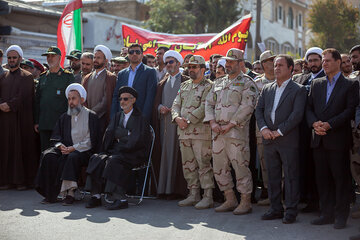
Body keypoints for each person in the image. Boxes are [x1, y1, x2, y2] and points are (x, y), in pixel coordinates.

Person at [307, 48, 359, 229]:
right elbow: (309, 108)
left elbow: (349, 110)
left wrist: (330, 124)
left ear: (338, 62)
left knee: (340, 179)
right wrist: (315, 124)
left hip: (337, 139)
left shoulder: (350, 85)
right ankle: (326, 214)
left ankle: (340, 215)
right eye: (323, 61)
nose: (324, 64)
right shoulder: (317, 83)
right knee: (322, 179)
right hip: (318, 138)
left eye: (328, 60)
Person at [204, 48, 258, 215]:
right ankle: (229, 198)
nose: (227, 65)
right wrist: (212, 122)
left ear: (240, 63)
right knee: (220, 167)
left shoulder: (248, 83)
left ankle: (245, 201)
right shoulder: (219, 82)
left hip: (236, 133)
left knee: (240, 166)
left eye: (231, 62)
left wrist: (231, 124)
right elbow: (209, 103)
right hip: (218, 133)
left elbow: (247, 106)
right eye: (226, 62)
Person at [256, 54, 307, 224]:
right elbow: (259, 110)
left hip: (287, 139)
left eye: (280, 65)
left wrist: (278, 131)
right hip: (268, 139)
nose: (276, 68)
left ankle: (291, 210)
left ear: (291, 69)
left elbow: (297, 115)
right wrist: (263, 129)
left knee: (291, 176)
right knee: (272, 176)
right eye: (275, 65)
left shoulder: (298, 89)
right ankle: (275, 208)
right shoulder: (267, 88)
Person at [85, 86, 151, 209]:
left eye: (125, 99)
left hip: (133, 153)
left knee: (114, 161)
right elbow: (110, 134)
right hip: (116, 150)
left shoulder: (141, 118)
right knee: (96, 158)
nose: (122, 102)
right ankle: (96, 196)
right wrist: (126, 133)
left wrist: (121, 134)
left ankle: (120, 198)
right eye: (120, 99)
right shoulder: (117, 116)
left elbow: (137, 140)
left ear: (133, 100)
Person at [35, 83, 101, 204]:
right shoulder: (64, 117)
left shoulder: (91, 116)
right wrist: (60, 146)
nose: (71, 102)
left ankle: (70, 193)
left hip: (84, 151)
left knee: (72, 157)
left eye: (74, 98)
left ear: (82, 99)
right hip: (66, 149)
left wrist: (73, 148)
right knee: (48, 155)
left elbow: (92, 140)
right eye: (69, 99)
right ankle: (51, 194)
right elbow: (56, 136)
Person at [172, 55, 214, 209]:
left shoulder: (209, 86)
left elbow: (205, 106)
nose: (191, 70)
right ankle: (193, 194)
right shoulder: (184, 86)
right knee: (188, 165)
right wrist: (177, 118)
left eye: (194, 67)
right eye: (189, 67)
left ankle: (207, 196)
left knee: (203, 164)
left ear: (203, 69)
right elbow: (175, 105)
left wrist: (187, 120)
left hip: (200, 133)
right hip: (183, 132)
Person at [0, 45, 38, 190]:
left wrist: (9, 105)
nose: (11, 60)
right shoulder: (3, 76)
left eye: (14, 57)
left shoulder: (27, 76)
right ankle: (6, 180)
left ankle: (21, 181)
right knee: (6, 149)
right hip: (5, 121)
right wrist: (1, 105)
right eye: (9, 57)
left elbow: (22, 97)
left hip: (21, 120)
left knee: (20, 149)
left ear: (20, 59)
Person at [152, 50, 188, 198]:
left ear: (178, 63)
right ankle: (164, 189)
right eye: (166, 63)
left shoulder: (185, 80)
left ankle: (177, 190)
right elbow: (156, 103)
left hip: (181, 125)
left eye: (171, 62)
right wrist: (160, 108)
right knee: (165, 155)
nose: (168, 65)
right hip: (165, 125)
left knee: (179, 156)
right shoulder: (162, 83)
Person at [293, 47, 325, 213]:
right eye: (310, 61)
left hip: (321, 128)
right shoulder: (303, 78)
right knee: (306, 165)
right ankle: (309, 199)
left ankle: (322, 202)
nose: (313, 63)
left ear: (322, 61)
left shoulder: (327, 78)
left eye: (316, 60)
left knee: (320, 167)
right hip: (303, 130)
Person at [35, 46, 75, 151]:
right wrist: (36, 121)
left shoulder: (68, 77)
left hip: (60, 124)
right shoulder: (43, 77)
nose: (50, 58)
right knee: (44, 153)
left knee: (58, 154)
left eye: (53, 56)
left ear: (59, 58)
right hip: (44, 123)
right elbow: (37, 100)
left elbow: (73, 102)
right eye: (48, 56)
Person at [110, 43, 157, 122]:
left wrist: (144, 118)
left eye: (137, 52)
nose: (134, 54)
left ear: (142, 55)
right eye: (131, 52)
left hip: (140, 115)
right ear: (128, 55)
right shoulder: (122, 74)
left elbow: (150, 97)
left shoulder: (150, 72)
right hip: (122, 115)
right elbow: (116, 96)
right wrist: (114, 116)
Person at [254, 50, 276, 206]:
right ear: (263, 64)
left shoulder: (284, 80)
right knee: (265, 162)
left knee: (283, 162)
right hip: (261, 129)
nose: (273, 63)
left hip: (281, 128)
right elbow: (255, 108)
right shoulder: (256, 83)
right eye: (269, 60)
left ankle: (283, 193)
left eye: (274, 59)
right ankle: (269, 192)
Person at [82, 45, 116, 134]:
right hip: (87, 119)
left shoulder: (110, 77)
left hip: (101, 120)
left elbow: (106, 100)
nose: (95, 60)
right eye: (95, 57)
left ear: (106, 60)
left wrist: (91, 113)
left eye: (99, 58)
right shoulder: (87, 77)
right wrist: (86, 113)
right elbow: (82, 97)